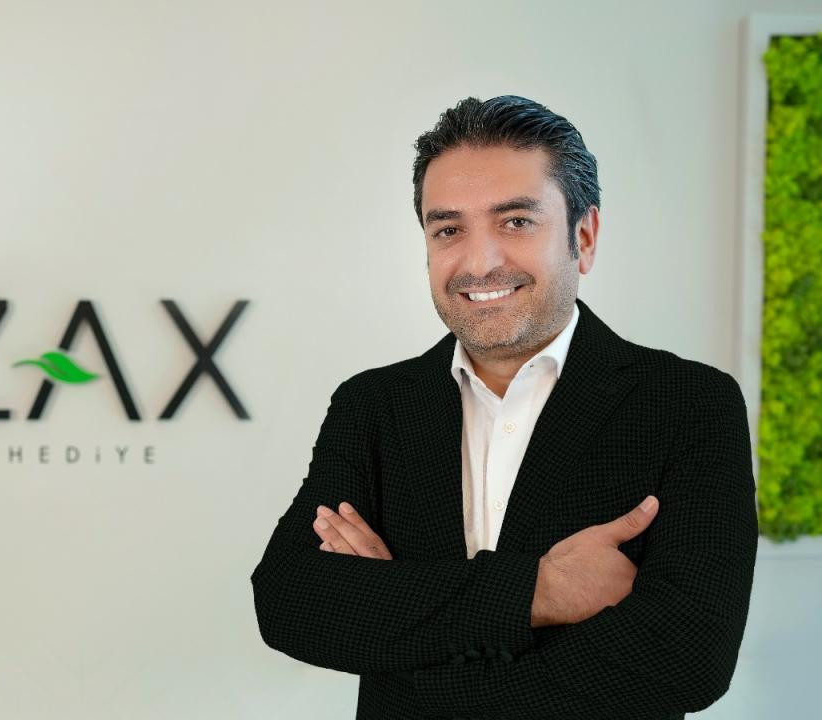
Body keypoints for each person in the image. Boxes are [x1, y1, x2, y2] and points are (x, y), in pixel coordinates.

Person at [249, 95, 758, 720]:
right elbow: (290, 602)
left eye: (516, 221)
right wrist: (540, 592)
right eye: (448, 229)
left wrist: (401, 627)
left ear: (583, 237)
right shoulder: (373, 406)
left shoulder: (688, 403)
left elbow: (687, 657)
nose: (480, 262)